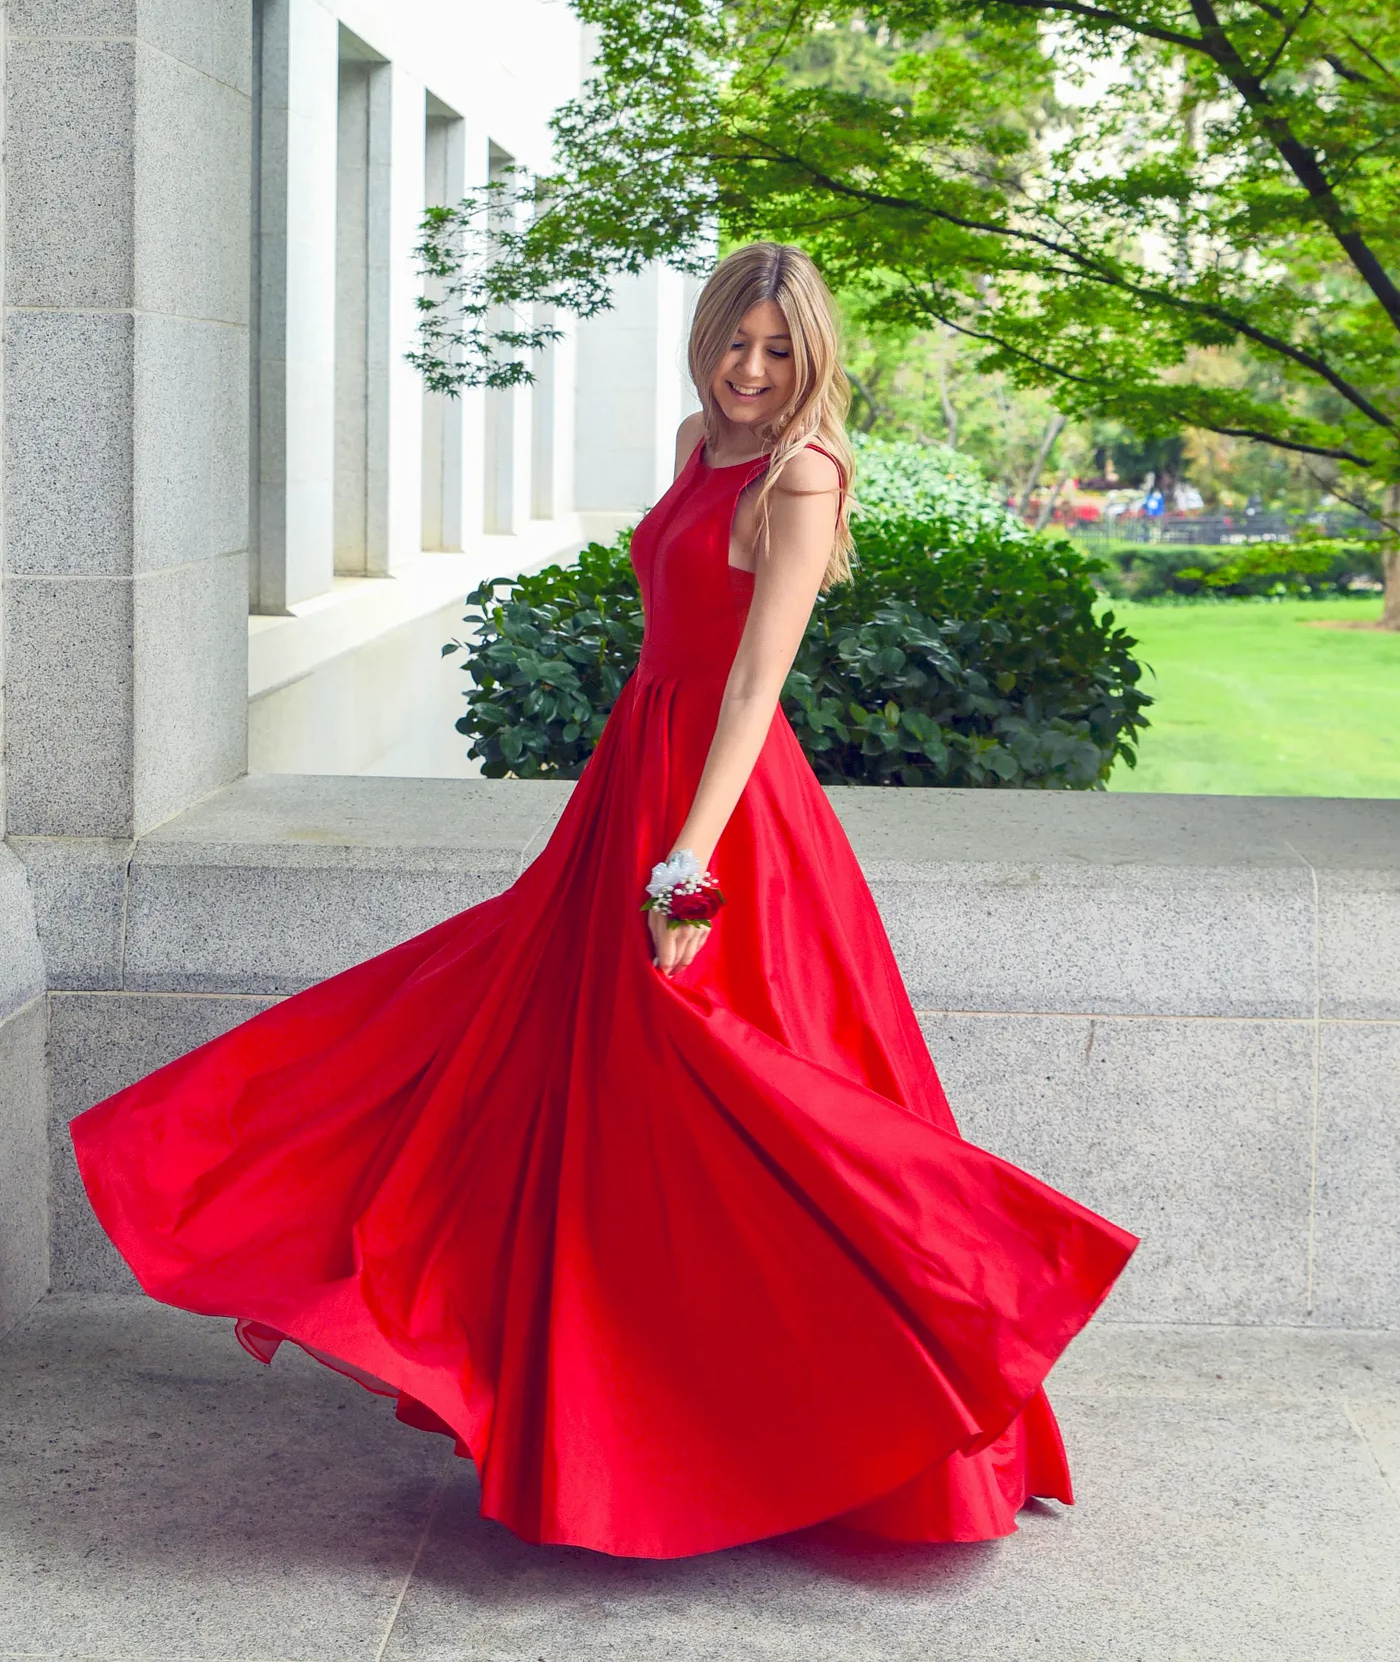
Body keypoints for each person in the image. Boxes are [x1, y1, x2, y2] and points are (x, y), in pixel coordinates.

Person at [71, 242, 1136, 1561]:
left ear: (813, 359)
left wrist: (687, 867)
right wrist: (632, 818)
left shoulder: (803, 474)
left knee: (765, 1117)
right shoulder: (703, 441)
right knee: (548, 1077)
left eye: (778, 351)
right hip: (637, 776)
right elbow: (673, 643)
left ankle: (887, 1421)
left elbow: (754, 688)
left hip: (719, 815)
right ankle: (599, 1401)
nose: (750, 372)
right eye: (734, 344)